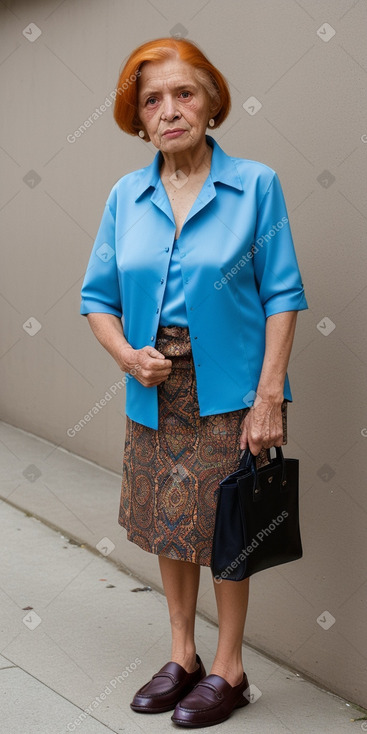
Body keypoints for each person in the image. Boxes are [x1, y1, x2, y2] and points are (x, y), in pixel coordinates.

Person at [80, 36, 308, 729]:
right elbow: (97, 299)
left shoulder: (255, 185)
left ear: (210, 104)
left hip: (233, 390)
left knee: (225, 528)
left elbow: (283, 295)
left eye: (184, 93)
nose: (169, 109)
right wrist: (126, 356)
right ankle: (182, 656)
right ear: (137, 117)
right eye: (152, 100)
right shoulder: (128, 194)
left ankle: (230, 668)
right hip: (154, 387)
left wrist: (268, 396)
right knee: (165, 526)